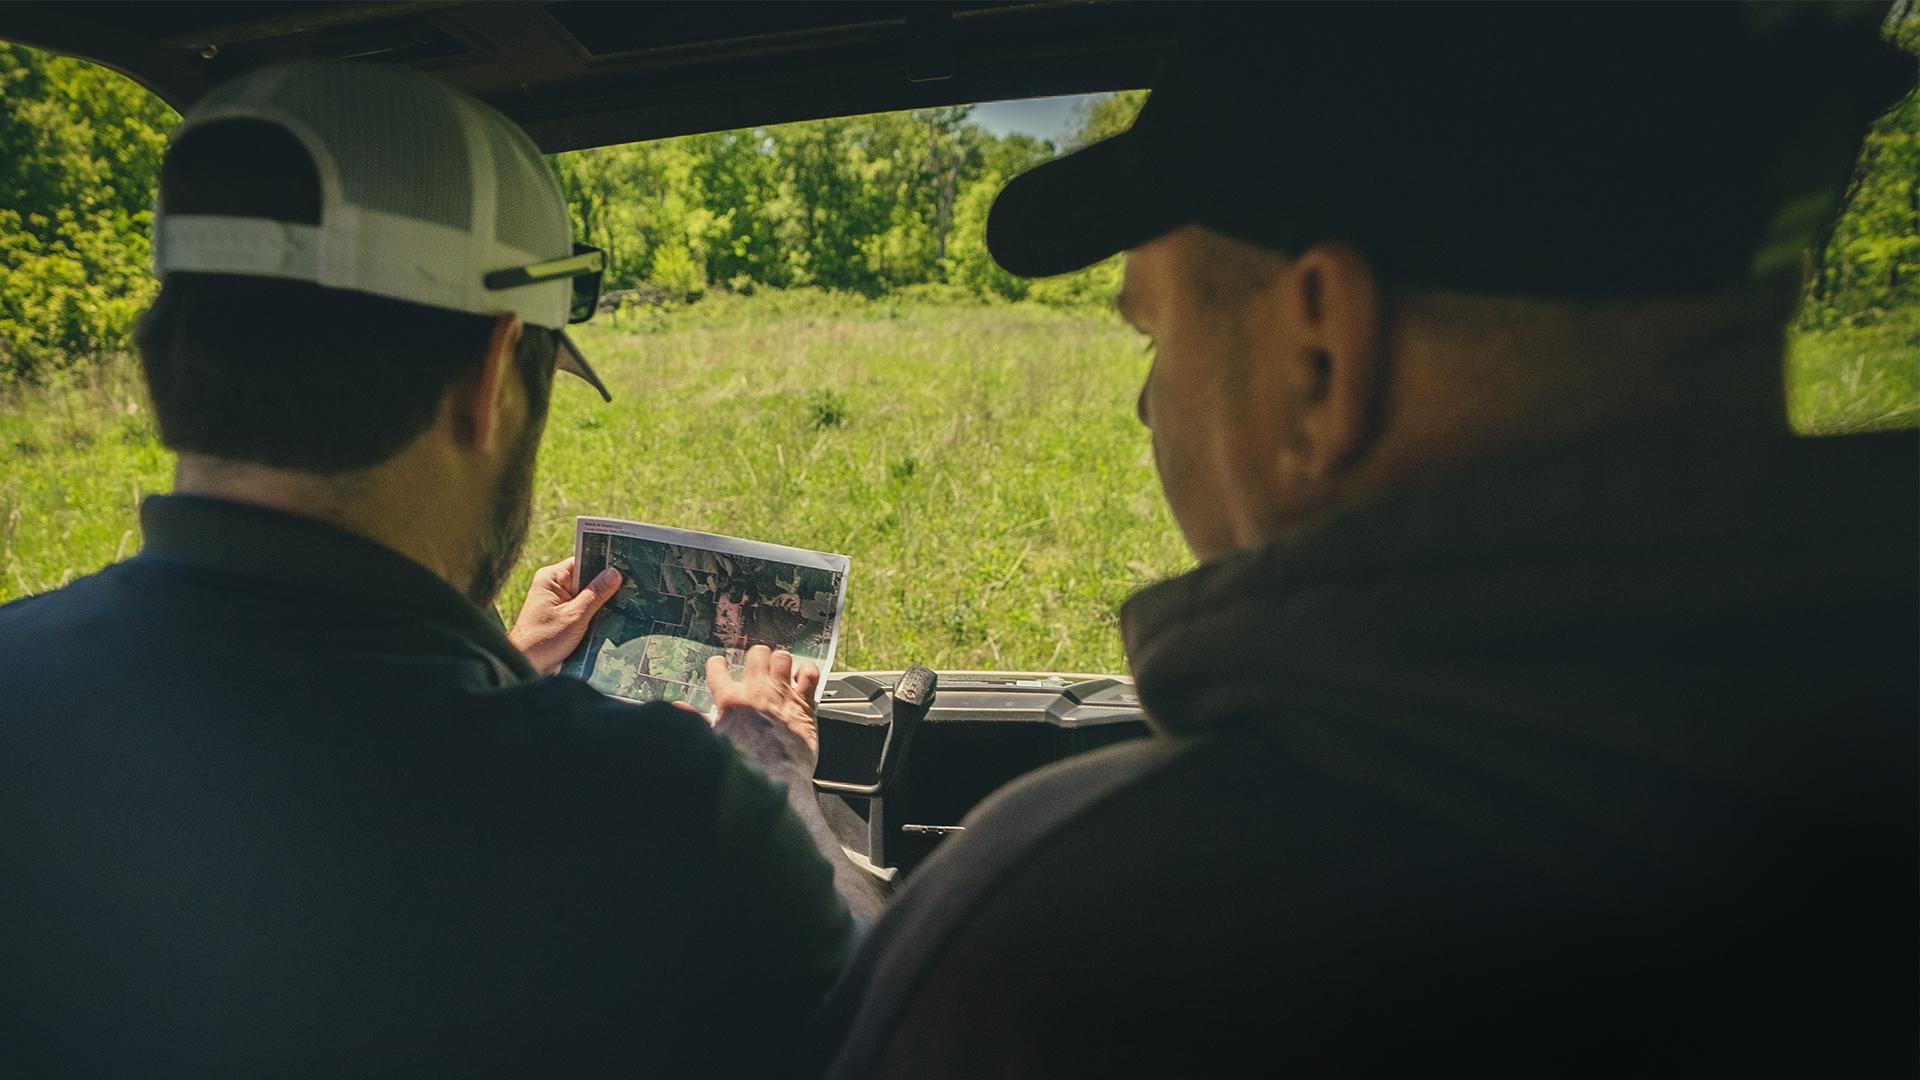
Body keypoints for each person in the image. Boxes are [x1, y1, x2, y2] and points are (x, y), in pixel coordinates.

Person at [812, 5, 1918, 1077]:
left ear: (1322, 354)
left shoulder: (1087, 946)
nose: (1152, 408)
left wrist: (787, 812)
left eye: (1154, 336)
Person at [0, 60, 878, 1076]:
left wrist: (503, 662)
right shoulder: (676, 816)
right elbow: (918, 1026)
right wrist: (775, 778)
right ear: (490, 375)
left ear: (164, 361)